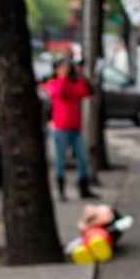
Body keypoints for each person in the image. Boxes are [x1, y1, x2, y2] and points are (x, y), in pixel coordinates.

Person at [45, 57, 98, 201]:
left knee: (83, 158)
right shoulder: (54, 83)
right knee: (60, 160)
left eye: (67, 67)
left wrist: (79, 75)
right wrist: (61, 77)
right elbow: (58, 93)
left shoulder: (73, 84)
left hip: (76, 129)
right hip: (60, 129)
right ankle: (61, 190)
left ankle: (83, 188)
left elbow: (86, 92)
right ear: (56, 70)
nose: (66, 70)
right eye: (62, 67)